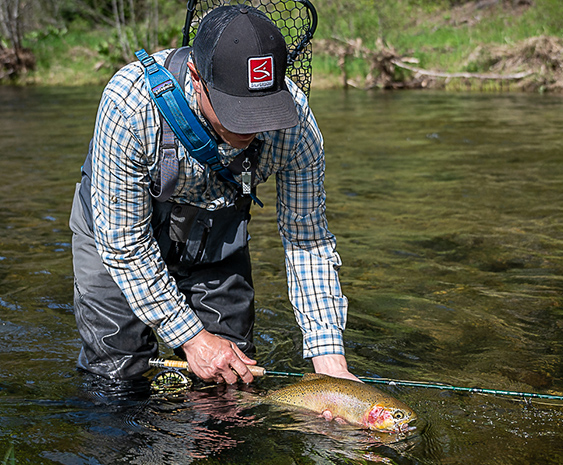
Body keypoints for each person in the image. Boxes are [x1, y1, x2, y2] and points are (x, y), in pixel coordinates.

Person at [69, 4, 357, 386]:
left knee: (231, 382)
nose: (252, 127)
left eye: (264, 110)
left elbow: (308, 242)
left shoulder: (296, 126)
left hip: (213, 231)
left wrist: (331, 366)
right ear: (196, 75)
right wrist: (192, 338)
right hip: (115, 230)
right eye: (237, 111)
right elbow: (124, 244)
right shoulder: (131, 106)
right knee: (118, 377)